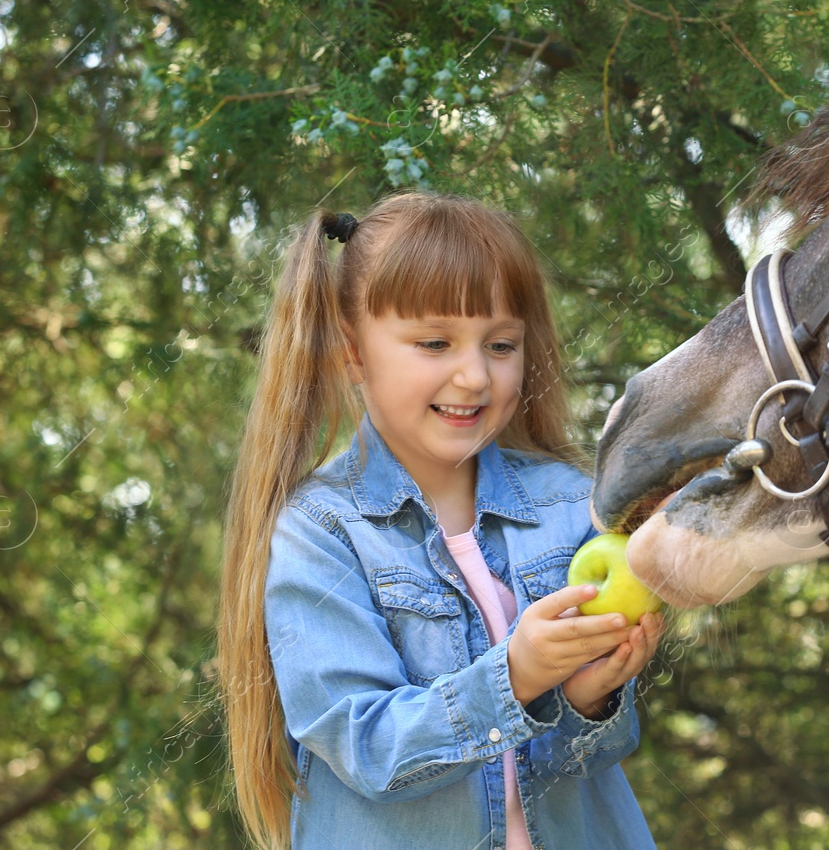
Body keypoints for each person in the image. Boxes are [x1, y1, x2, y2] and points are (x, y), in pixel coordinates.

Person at [218, 191, 665, 850]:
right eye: (435, 341)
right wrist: (513, 677)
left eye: (501, 343)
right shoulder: (323, 531)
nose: (474, 374)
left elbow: (593, 753)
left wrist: (585, 697)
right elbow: (369, 747)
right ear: (352, 353)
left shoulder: (573, 504)